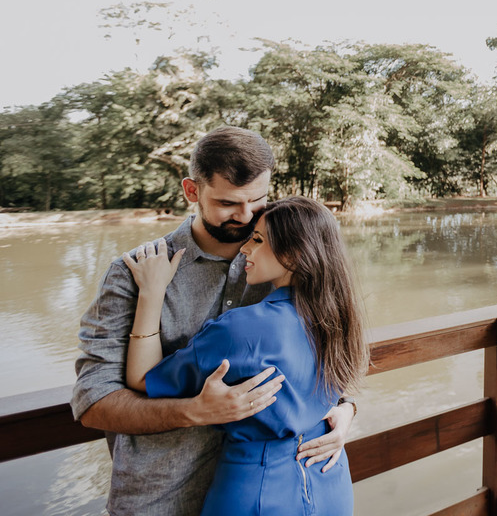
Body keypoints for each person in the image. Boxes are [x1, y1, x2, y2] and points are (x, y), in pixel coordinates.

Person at [71, 126, 356, 515]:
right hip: (161, 497)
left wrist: (344, 410)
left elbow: (332, 346)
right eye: (227, 203)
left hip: (268, 492)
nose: (245, 215)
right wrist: (194, 411)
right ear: (192, 192)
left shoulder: (287, 260)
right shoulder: (133, 272)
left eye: (257, 200)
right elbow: (94, 401)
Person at [123, 197, 369, 516]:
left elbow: (143, 378)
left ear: (294, 254)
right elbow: (335, 389)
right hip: (329, 478)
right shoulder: (339, 320)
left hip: (258, 490)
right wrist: (347, 407)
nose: (244, 249)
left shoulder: (241, 330)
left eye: (257, 239)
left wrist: (152, 293)